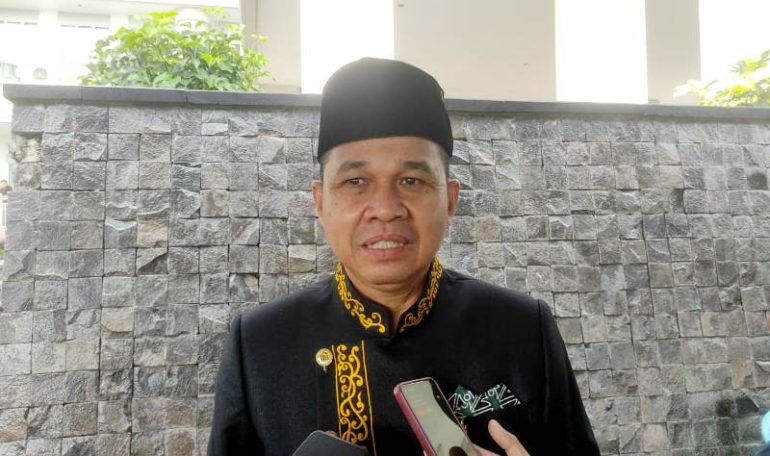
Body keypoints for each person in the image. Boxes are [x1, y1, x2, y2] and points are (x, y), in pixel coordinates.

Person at [208, 58, 599, 455]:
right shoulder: (259, 345)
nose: (385, 208)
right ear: (320, 202)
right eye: (355, 181)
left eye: (411, 180)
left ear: (450, 200)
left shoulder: (523, 329)